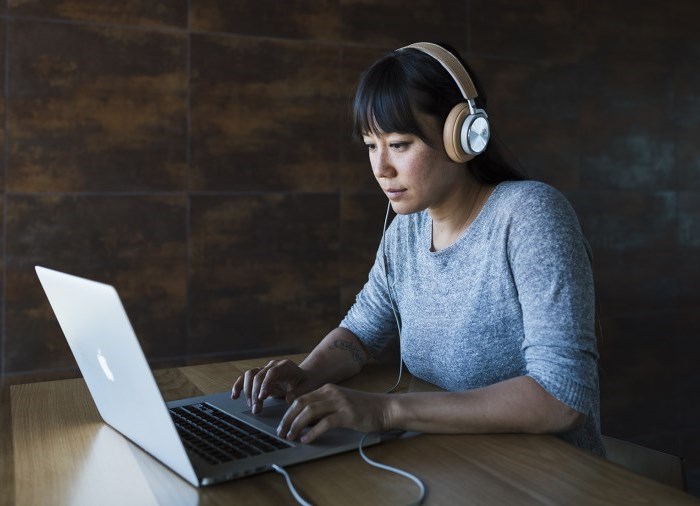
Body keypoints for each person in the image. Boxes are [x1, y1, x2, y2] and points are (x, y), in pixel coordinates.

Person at [231, 42, 604, 456]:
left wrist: (388, 412)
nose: (380, 168)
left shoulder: (529, 216)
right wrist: (307, 374)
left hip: (546, 480)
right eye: (372, 145)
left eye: (400, 144)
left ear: (463, 136)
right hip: (449, 465)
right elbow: (360, 333)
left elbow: (562, 398)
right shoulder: (404, 232)